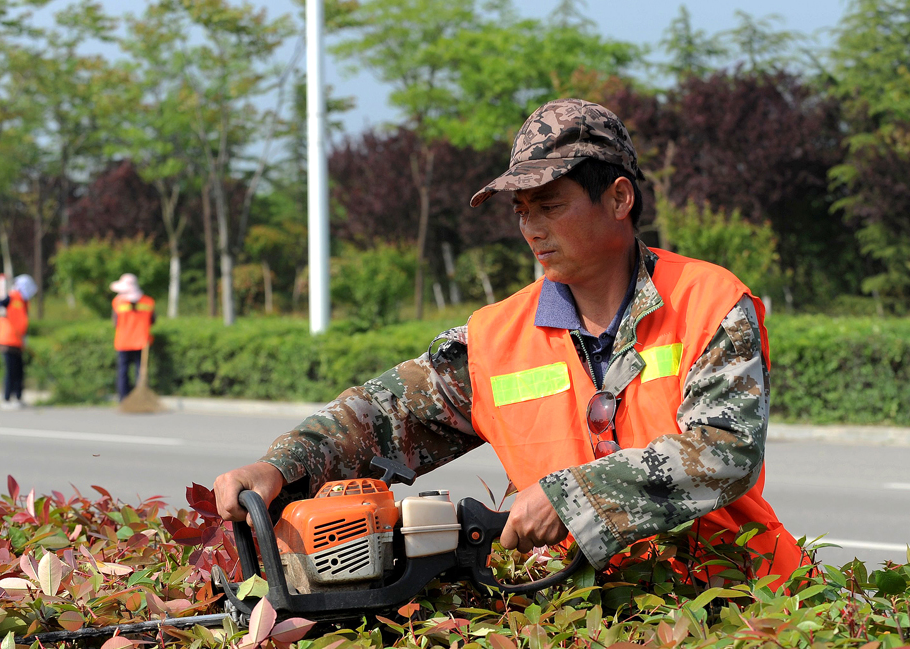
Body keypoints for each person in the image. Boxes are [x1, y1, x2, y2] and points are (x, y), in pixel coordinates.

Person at [213, 98, 803, 587]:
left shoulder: (709, 302)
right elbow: (383, 416)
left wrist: (572, 497)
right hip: (580, 616)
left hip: (739, 607)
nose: (532, 229)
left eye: (550, 206)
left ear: (620, 199)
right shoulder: (496, 337)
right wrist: (279, 466)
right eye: (522, 211)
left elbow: (725, 450)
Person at [0, 274, 37, 411]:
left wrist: (25, 337)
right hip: (7, 341)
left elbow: (22, 321)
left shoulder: (24, 302)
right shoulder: (12, 296)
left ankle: (18, 398)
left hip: (18, 341)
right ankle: (6, 399)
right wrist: (0, 309)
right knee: (10, 372)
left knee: (20, 372)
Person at [110, 273, 155, 401]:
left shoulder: (118, 302)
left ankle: (123, 398)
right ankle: (140, 398)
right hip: (142, 341)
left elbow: (115, 322)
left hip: (123, 341)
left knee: (123, 371)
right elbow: (153, 320)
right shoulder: (148, 301)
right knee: (141, 371)